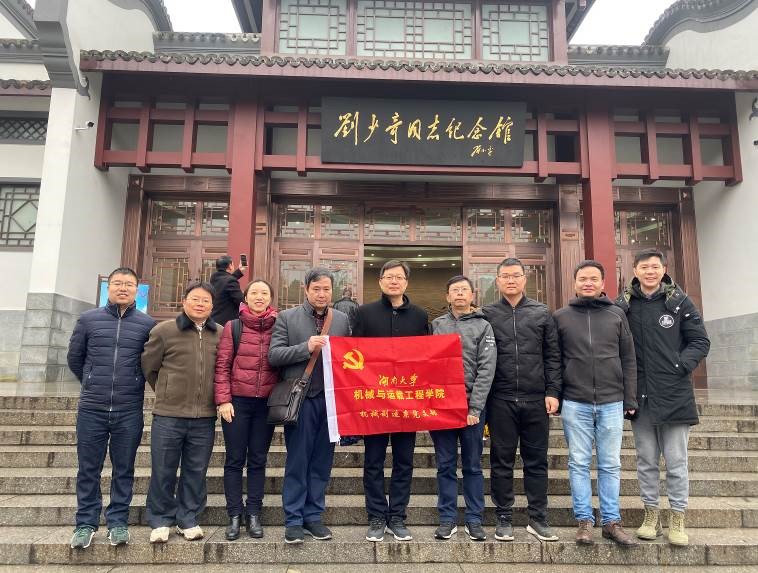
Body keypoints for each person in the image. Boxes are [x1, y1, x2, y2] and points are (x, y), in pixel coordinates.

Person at [616, 248, 710, 546]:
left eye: (655, 267)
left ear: (664, 269)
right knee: (645, 460)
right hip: (640, 396)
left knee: (676, 461)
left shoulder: (679, 301)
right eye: (644, 267)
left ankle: (677, 518)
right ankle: (651, 515)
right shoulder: (624, 304)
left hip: (674, 393)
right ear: (635, 270)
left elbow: (700, 341)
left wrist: (680, 365)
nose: (650, 272)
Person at [66, 267, 156, 549]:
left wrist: (135, 382)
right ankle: (85, 523)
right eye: (117, 283)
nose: (122, 288)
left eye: (128, 284)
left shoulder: (147, 324)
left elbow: (150, 362)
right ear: (109, 287)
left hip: (129, 409)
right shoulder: (88, 319)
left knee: (124, 468)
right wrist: (91, 381)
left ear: (137, 289)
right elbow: (75, 357)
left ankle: (118, 522)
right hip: (92, 408)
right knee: (88, 468)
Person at [553, 260, 638, 546]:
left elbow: (628, 358)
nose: (588, 283)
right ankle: (584, 521)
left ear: (603, 283)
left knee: (610, 463)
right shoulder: (561, 316)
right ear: (575, 282)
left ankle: (611, 521)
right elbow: (555, 360)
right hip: (575, 401)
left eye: (593, 278)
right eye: (583, 278)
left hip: (612, 400)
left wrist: (630, 397)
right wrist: (556, 394)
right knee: (578, 462)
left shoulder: (617, 315)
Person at [268, 267, 351, 544]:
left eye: (326, 289)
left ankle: (313, 516)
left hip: (330, 401)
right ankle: (293, 519)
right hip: (300, 400)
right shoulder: (287, 318)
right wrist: (305, 347)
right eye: (316, 289)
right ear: (306, 290)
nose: (321, 294)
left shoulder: (341, 320)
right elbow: (274, 355)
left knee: (322, 462)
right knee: (298, 460)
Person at [482, 257, 562, 543]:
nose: (511, 280)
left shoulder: (541, 313)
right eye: (505, 276)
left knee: (536, 461)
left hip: (536, 399)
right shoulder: (487, 314)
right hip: (500, 399)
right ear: (498, 281)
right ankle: (503, 516)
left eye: (516, 275)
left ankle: (537, 517)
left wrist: (553, 391)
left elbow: (553, 356)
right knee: (501, 460)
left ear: (524, 279)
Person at [353, 260, 429, 543]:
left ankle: (397, 516)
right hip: (374, 401)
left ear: (406, 282)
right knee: (373, 461)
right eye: (389, 276)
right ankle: (376, 516)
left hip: (407, 403)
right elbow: (353, 354)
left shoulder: (420, 316)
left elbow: (427, 357)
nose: (394, 281)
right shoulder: (364, 313)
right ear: (380, 281)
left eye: (399, 277)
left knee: (404, 461)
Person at [141, 281, 221, 544]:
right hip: (169, 414)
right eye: (195, 299)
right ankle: (160, 519)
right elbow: (149, 367)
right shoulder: (164, 330)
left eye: (206, 300)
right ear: (184, 301)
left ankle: (188, 519)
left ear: (212, 306)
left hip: (204, 416)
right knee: (163, 469)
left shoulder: (220, 333)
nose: (200, 304)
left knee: (196, 470)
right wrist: (167, 390)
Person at [430, 275, 496, 541]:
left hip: (471, 409)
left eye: (464, 290)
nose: (459, 294)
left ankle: (474, 519)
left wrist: (475, 408)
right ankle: (447, 518)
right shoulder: (437, 325)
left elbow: (486, 370)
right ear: (447, 296)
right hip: (442, 408)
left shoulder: (484, 326)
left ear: (472, 295)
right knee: (445, 465)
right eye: (454, 290)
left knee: (472, 465)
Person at [214, 279, 278, 540]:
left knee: (258, 460)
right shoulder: (234, 326)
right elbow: (222, 365)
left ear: (270, 298)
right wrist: (223, 400)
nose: (259, 297)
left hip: (266, 404)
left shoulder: (279, 325)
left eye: (264, 293)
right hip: (237, 403)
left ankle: (253, 513)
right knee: (234, 459)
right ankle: (234, 514)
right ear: (246, 297)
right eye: (254, 292)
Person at [210, 255, 248, 325]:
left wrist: (239, 271)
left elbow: (226, 280)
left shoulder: (214, 278)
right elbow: (240, 301)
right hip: (226, 322)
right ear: (230, 266)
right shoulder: (230, 281)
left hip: (213, 319)